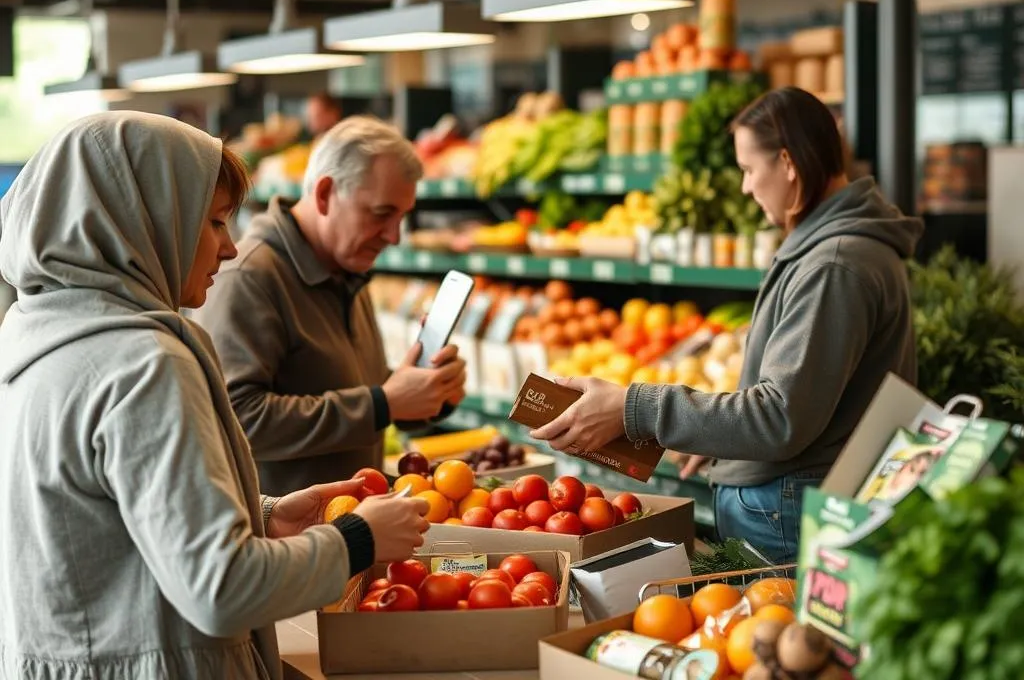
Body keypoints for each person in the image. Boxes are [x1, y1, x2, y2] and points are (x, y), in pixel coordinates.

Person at [0, 112, 429, 679]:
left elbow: (109, 520)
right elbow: (221, 589)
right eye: (216, 222)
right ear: (145, 221)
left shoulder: (37, 332)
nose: (228, 250)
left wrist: (264, 515)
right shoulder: (144, 364)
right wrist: (358, 539)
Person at [530, 87, 924, 564]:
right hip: (795, 494)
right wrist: (714, 436)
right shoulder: (833, 248)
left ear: (788, 163)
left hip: (790, 506)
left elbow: (780, 417)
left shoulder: (833, 264)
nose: (745, 188)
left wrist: (634, 408)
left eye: (748, 170)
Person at [194, 115, 466, 496]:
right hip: (287, 542)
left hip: (351, 531)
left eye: (402, 217)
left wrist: (423, 394)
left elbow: (338, 382)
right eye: (381, 213)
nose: (394, 236)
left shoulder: (344, 267)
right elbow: (237, 418)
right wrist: (381, 404)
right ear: (324, 194)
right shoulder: (248, 277)